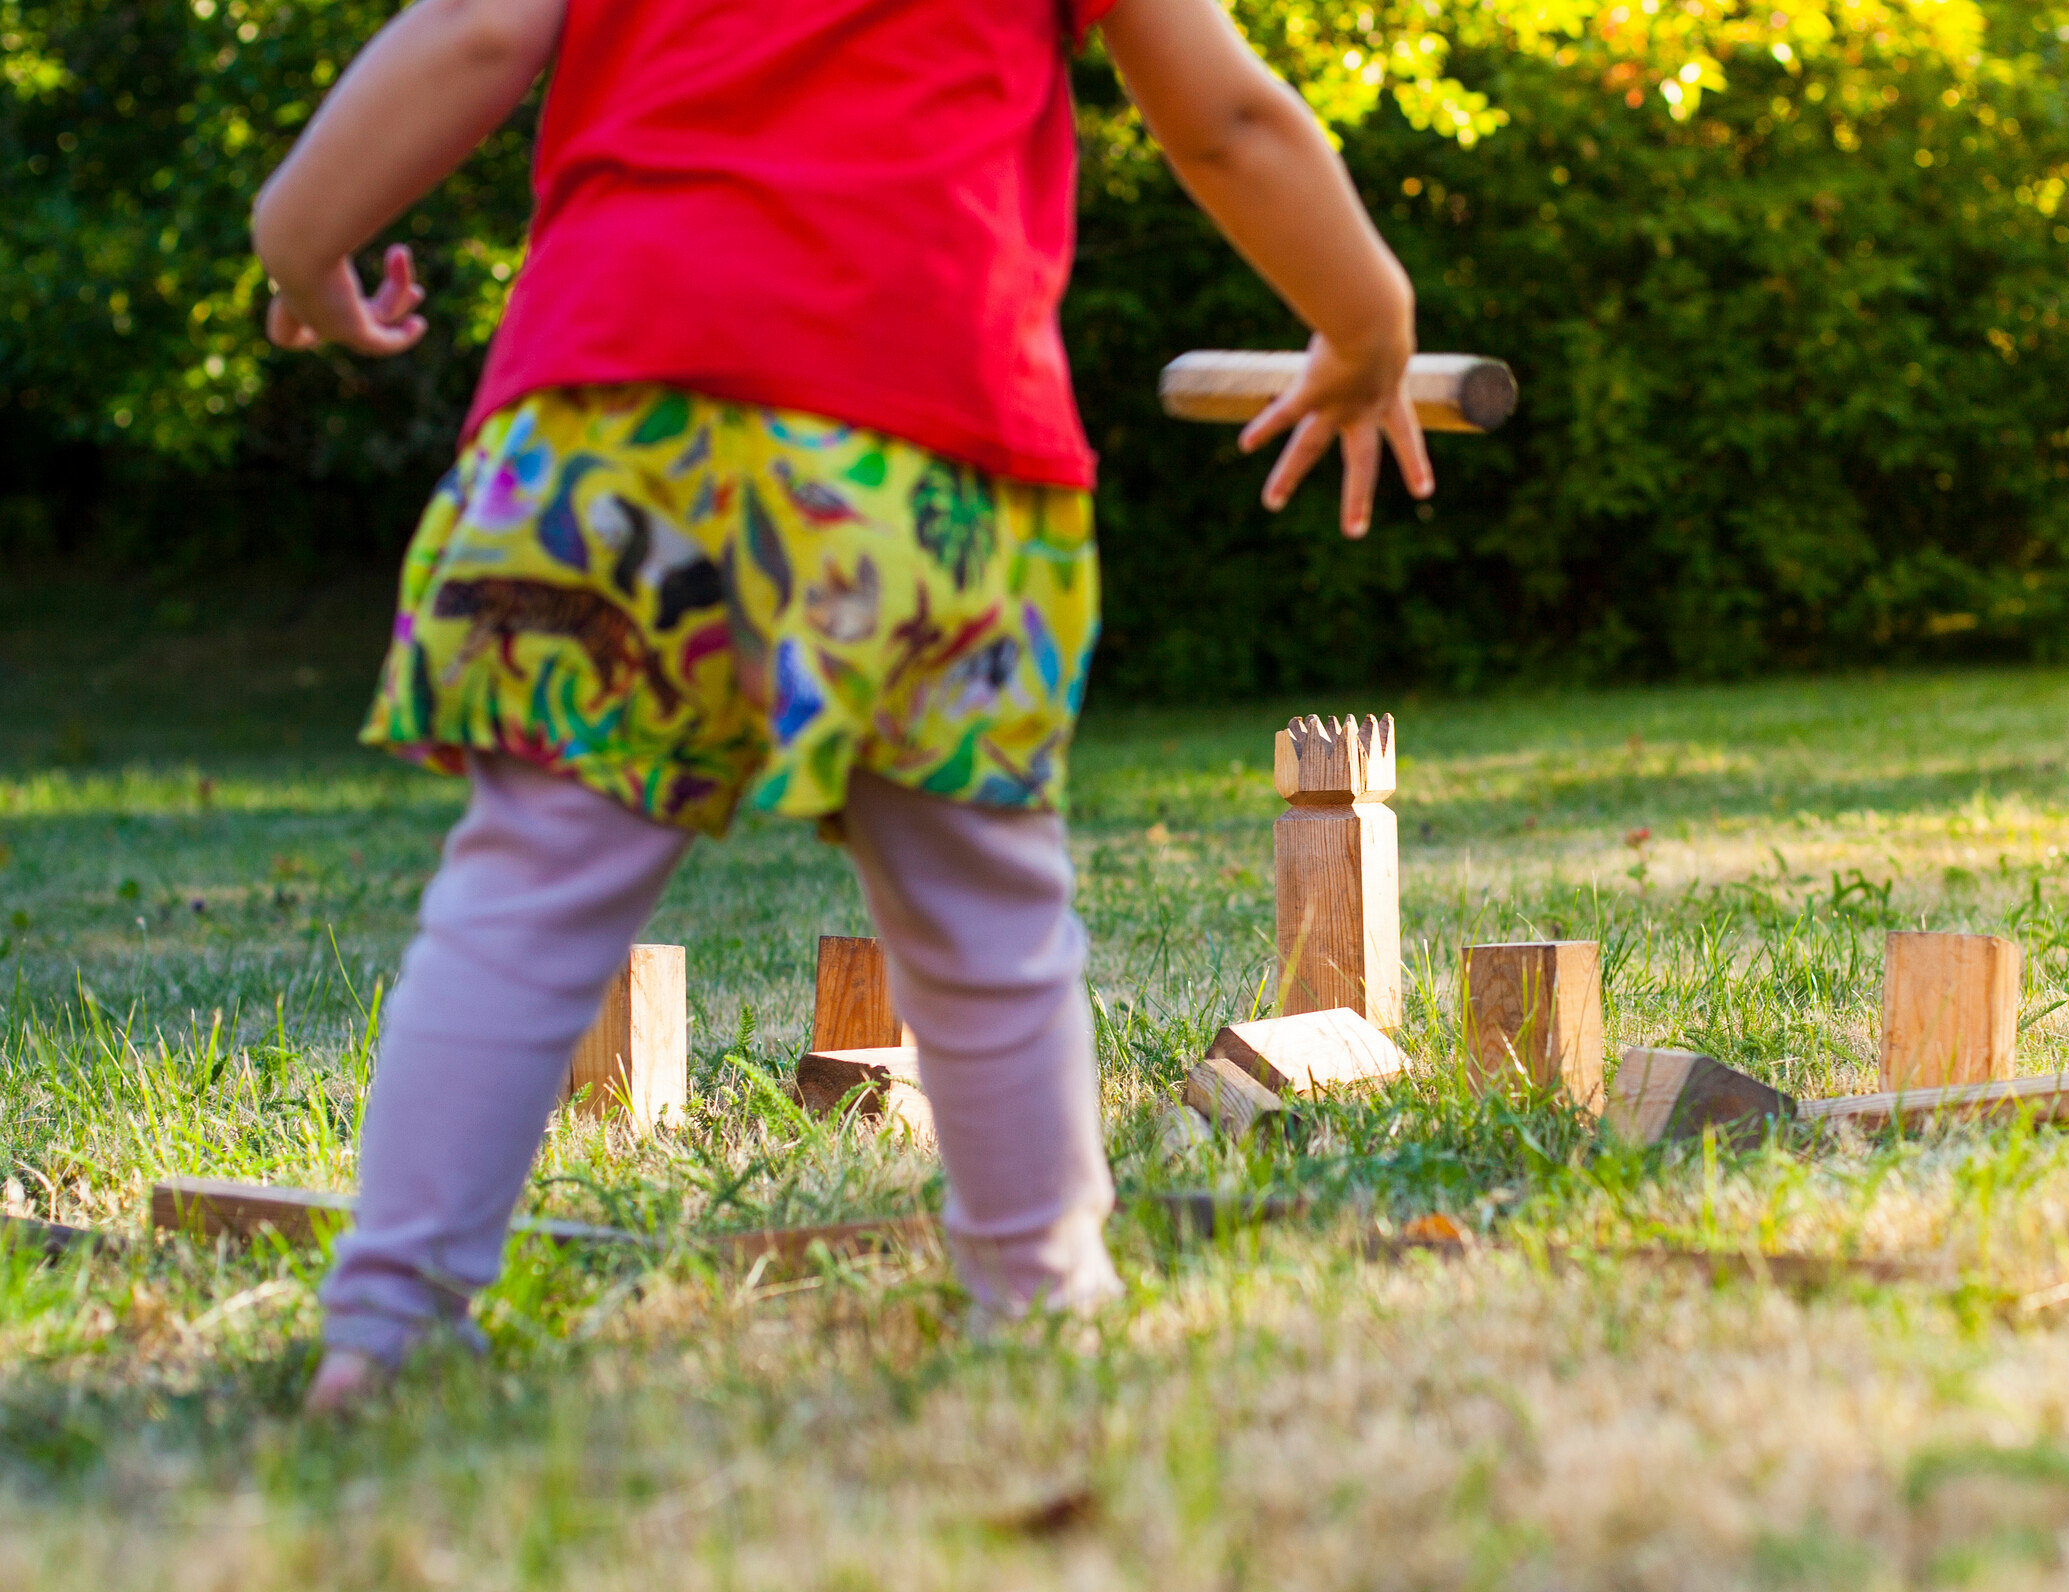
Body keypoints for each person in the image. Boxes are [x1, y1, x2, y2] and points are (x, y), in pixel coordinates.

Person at [252, 0, 1433, 1415]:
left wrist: (299, 237)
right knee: (980, 911)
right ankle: (1041, 1303)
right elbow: (1225, 119)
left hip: (624, 422)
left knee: (528, 888)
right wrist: (1367, 321)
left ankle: (386, 1326)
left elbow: (470, 34)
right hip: (923, 447)